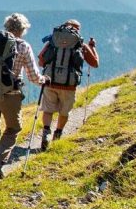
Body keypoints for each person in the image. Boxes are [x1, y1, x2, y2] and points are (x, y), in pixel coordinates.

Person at [0, 13, 49, 181]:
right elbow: (33, 76)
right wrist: (44, 80)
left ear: (6, 27)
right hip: (10, 94)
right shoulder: (23, 46)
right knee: (13, 128)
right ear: (22, 30)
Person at [36, 19, 99, 151]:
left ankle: (46, 134)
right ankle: (57, 135)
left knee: (48, 110)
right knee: (64, 112)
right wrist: (92, 47)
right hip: (69, 85)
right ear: (77, 29)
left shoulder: (53, 40)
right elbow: (94, 63)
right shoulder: (80, 43)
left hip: (50, 82)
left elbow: (41, 60)